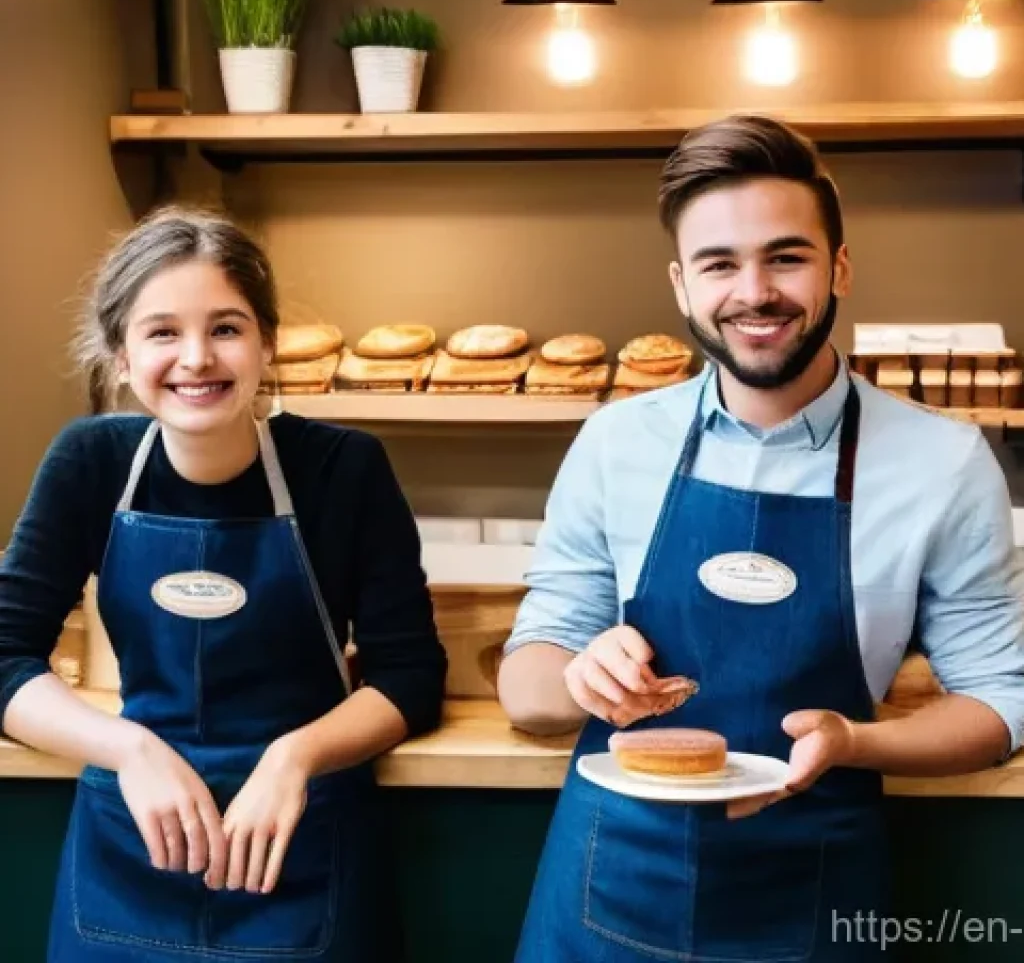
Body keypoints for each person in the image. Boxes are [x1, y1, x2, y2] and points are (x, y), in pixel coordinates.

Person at [498, 115, 1024, 962]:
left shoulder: (944, 463)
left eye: (786, 257)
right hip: (608, 884)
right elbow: (527, 687)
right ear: (682, 285)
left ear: (839, 266)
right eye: (719, 264)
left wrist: (855, 742)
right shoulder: (615, 442)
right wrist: (580, 678)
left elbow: (999, 703)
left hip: (814, 892)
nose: (755, 292)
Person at [0, 206, 447, 961]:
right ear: (120, 355)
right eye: (162, 332)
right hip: (129, 852)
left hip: (303, 846)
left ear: (267, 343)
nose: (197, 358)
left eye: (226, 328)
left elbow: (409, 676)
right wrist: (130, 752)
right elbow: (6, 657)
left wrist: (294, 759)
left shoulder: (342, 469)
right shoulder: (91, 462)